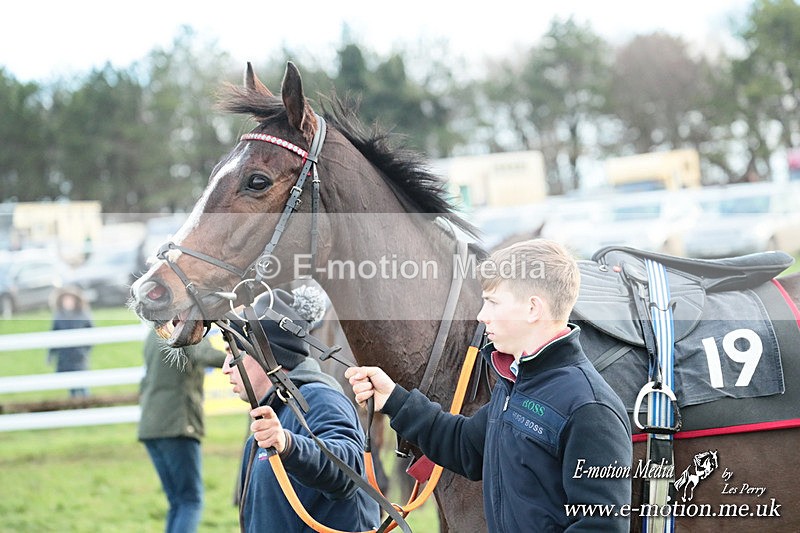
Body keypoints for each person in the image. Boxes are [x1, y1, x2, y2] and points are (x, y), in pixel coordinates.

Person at [346, 238, 633, 532]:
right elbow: (464, 444)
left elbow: (602, 526)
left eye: (493, 302)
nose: (482, 315)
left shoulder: (589, 408)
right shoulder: (516, 383)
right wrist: (393, 399)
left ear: (533, 309)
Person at [222, 285, 380, 533]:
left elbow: (349, 472)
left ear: (266, 355)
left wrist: (288, 445)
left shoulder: (322, 399)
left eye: (233, 355)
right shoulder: (273, 412)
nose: (226, 368)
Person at [138, 327, 227, 533]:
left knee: (177, 501)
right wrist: (246, 358)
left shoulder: (156, 331)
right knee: (190, 501)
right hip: (177, 424)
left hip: (150, 426)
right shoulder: (184, 330)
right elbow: (204, 354)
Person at [48, 286, 93, 397]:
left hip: (79, 355)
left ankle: (86, 402)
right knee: (70, 383)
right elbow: (53, 335)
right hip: (65, 356)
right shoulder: (58, 316)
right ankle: (74, 402)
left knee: (82, 382)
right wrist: (50, 354)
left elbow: (91, 332)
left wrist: (85, 347)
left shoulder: (82, 315)